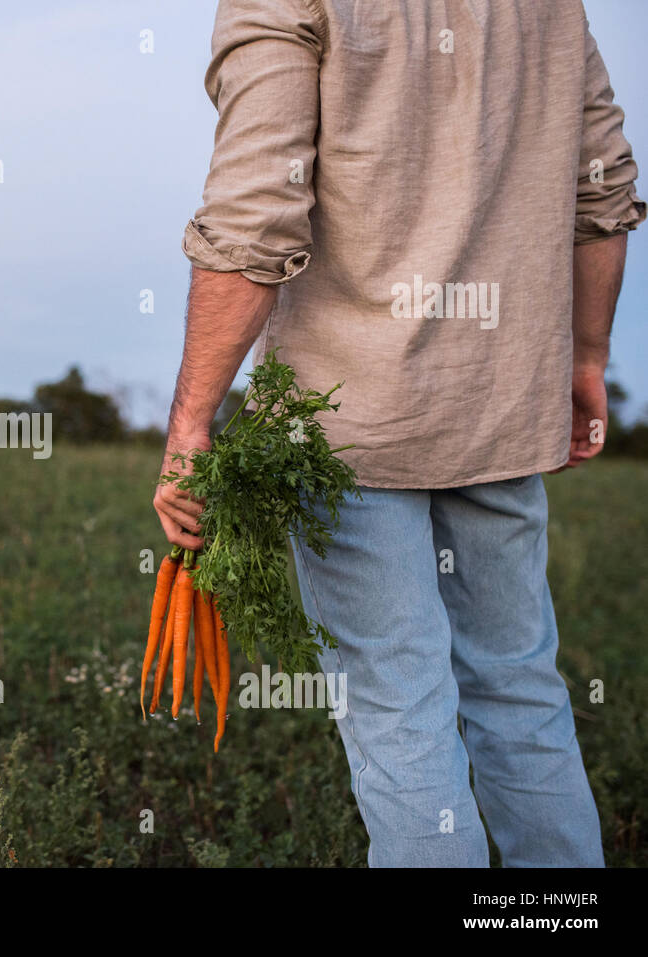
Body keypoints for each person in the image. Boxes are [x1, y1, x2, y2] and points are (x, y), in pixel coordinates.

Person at [153, 0, 643, 867]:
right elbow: (602, 184)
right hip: (499, 409)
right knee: (521, 690)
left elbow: (254, 211)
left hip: (347, 429)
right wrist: (586, 355)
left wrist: (192, 422)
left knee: (398, 710)